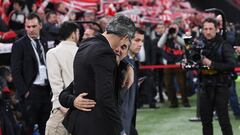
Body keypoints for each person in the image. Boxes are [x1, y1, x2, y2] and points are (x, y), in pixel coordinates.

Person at [60, 15, 135, 135]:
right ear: (125, 37)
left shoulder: (87, 44)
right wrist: (120, 131)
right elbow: (105, 98)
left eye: (124, 48)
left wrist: (128, 65)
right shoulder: (104, 53)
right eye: (124, 44)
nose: (119, 50)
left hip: (80, 125)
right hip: (96, 126)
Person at [45, 21, 95, 135]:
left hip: (62, 111)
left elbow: (56, 85)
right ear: (74, 34)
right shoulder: (85, 53)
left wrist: (65, 107)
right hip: (82, 111)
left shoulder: (52, 53)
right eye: (78, 32)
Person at [11, 13, 52, 135]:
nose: (31, 29)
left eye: (33, 26)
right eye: (28, 27)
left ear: (40, 26)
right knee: (28, 128)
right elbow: (15, 71)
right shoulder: (19, 45)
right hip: (31, 91)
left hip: (46, 91)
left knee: (45, 127)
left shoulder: (44, 41)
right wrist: (25, 92)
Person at [199, 17, 235, 135]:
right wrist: (187, 64)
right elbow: (194, 64)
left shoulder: (225, 45)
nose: (208, 32)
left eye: (210, 29)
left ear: (217, 29)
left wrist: (211, 64)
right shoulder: (199, 44)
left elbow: (231, 65)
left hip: (221, 87)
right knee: (206, 122)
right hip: (204, 86)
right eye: (205, 29)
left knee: (224, 121)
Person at [120, 27, 144, 135]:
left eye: (142, 41)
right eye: (137, 40)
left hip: (128, 119)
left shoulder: (132, 61)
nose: (140, 44)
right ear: (127, 40)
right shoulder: (121, 63)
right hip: (121, 120)